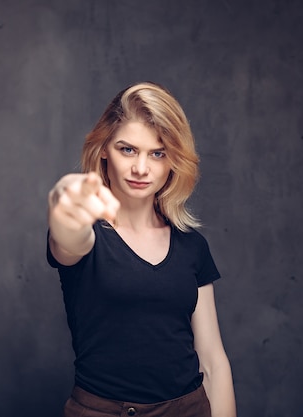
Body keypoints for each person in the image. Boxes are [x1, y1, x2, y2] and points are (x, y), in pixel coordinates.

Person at [47, 82, 236, 417]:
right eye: (128, 150)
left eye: (157, 153)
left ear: (173, 161)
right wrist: (64, 201)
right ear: (104, 149)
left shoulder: (192, 246)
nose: (141, 169)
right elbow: (69, 238)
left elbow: (212, 359)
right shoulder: (87, 235)